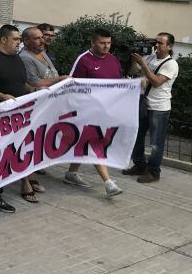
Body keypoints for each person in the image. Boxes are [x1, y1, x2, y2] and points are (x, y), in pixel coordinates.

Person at [0, 25, 39, 207]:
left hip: (20, 114)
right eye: (15, 39)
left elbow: (22, 83)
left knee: (20, 150)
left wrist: (36, 91)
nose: (18, 43)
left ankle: (24, 182)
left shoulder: (16, 59)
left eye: (19, 40)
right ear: (3, 39)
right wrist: (2, 96)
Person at [64, 28, 123, 197]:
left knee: (90, 142)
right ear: (93, 42)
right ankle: (108, 182)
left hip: (108, 110)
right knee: (94, 142)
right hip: (88, 111)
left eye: (109, 43)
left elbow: (118, 82)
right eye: (102, 43)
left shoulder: (113, 59)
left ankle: (71, 173)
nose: (106, 46)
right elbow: (72, 85)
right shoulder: (83, 60)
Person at [124, 32, 179, 183]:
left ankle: (154, 172)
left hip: (159, 108)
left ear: (170, 46)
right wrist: (134, 60)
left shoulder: (171, 64)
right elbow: (132, 72)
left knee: (156, 143)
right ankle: (139, 165)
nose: (157, 45)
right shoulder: (150, 58)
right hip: (143, 104)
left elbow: (155, 82)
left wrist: (143, 64)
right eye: (156, 42)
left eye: (161, 43)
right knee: (137, 136)